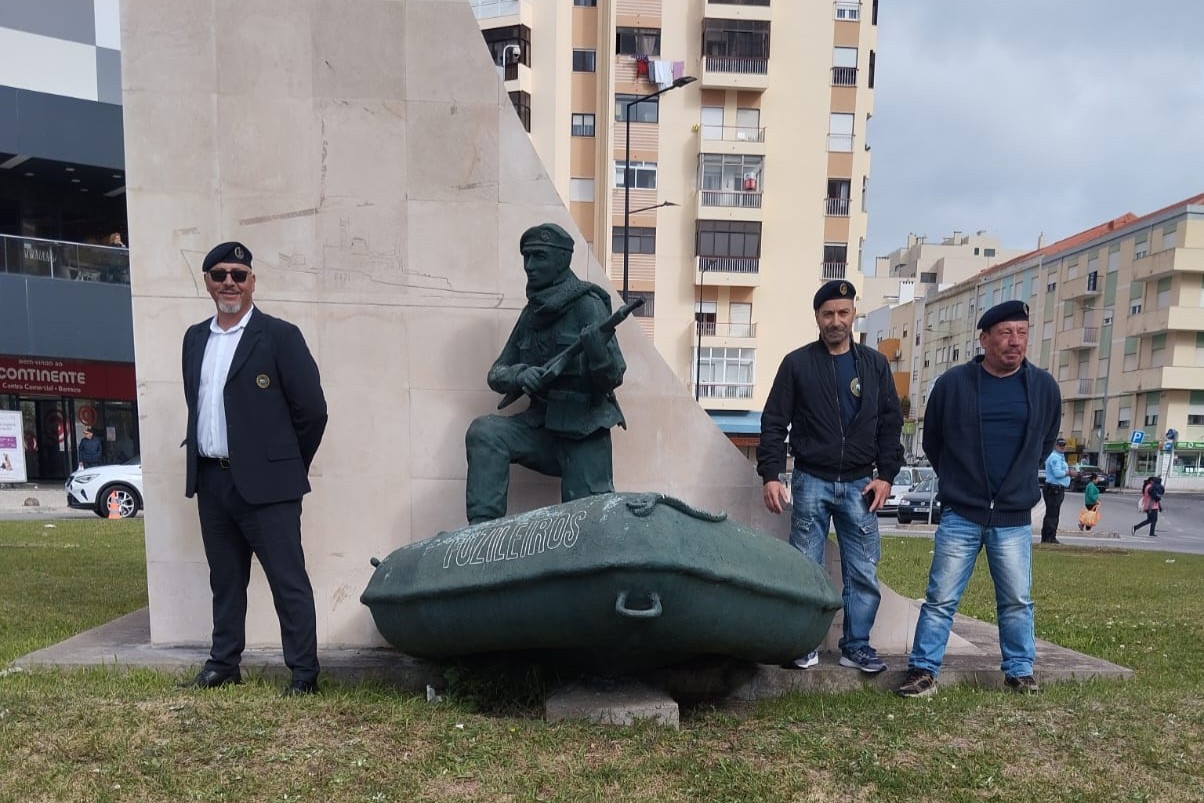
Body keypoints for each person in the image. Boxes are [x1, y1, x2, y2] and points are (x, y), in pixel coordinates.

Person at [180, 241, 328, 696]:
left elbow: (313, 412)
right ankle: (224, 663)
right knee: (224, 581)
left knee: (288, 583)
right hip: (212, 480)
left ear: (252, 282)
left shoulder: (280, 336)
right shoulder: (194, 338)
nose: (229, 282)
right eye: (220, 274)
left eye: (239, 275)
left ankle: (304, 674)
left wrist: (282, 466)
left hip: (269, 488)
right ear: (207, 281)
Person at [896, 300, 1061, 698]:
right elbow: (933, 441)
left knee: (1017, 600)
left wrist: (1017, 483)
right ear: (984, 338)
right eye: (1005, 333)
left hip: (1012, 518)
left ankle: (1020, 671)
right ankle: (923, 670)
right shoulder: (953, 385)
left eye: (1022, 333)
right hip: (962, 514)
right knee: (940, 599)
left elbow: (1045, 442)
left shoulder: (1043, 387)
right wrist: (960, 480)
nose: (1014, 342)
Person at [758, 279, 904, 673]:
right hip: (811, 481)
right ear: (817, 318)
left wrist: (886, 474)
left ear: (853, 313)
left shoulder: (874, 365)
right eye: (828, 314)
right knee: (806, 568)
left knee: (863, 570)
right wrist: (771, 473)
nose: (835, 321)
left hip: (861, 484)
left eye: (843, 312)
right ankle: (804, 644)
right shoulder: (797, 364)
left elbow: (891, 424)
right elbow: (774, 422)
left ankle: (856, 647)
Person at [465, 223, 626, 524]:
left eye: (538, 257)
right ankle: (480, 533)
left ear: (562, 259)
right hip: (542, 430)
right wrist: (521, 374)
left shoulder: (588, 305)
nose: (529, 266)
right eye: (526, 257)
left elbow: (614, 376)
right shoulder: (533, 312)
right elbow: (496, 373)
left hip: (583, 432)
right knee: (484, 432)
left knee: (588, 526)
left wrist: (596, 353)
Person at [1040, 437, 1074, 544]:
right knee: (1052, 515)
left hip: (1057, 489)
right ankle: (1050, 537)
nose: (1062, 447)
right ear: (1056, 446)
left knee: (1052, 514)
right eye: (1060, 445)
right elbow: (1058, 474)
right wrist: (1069, 473)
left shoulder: (1060, 458)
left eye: (1064, 445)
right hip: (1054, 489)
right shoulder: (1055, 457)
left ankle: (1047, 537)